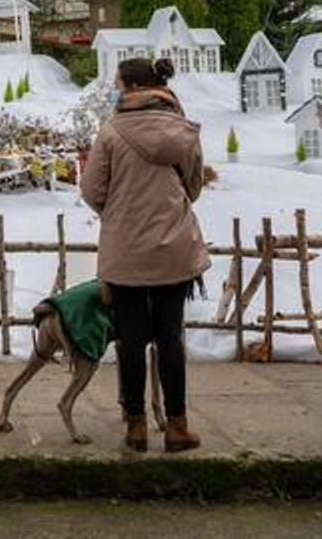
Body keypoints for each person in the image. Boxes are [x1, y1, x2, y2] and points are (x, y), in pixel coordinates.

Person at [80, 57, 209, 453]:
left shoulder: (112, 132)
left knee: (132, 338)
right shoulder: (182, 130)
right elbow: (194, 183)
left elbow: (91, 190)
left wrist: (118, 214)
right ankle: (177, 426)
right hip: (174, 246)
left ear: (128, 87)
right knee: (170, 336)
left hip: (126, 250)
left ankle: (136, 427)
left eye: (118, 84)